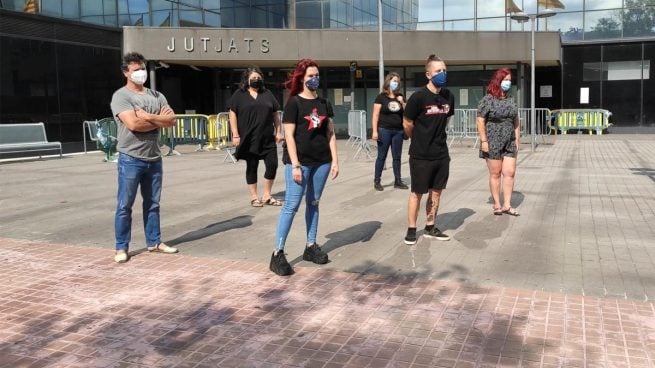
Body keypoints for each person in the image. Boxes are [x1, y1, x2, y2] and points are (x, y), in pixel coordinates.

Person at [269, 58, 339, 276]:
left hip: (322, 162)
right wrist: (296, 165)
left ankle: (311, 246)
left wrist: (335, 160)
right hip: (299, 164)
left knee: (314, 203)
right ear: (301, 78)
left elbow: (330, 133)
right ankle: (277, 253)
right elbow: (288, 136)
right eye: (310, 75)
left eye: (317, 75)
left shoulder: (324, 103)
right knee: (291, 205)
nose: (314, 79)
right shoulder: (294, 104)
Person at [109, 52, 178, 263]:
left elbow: (172, 120)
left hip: (154, 157)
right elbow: (133, 125)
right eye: (135, 70)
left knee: (153, 203)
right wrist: (159, 120)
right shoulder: (121, 96)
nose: (140, 73)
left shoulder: (157, 96)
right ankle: (121, 247)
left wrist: (148, 116)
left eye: (142, 69)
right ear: (125, 72)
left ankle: (154, 242)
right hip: (131, 158)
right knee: (125, 204)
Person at [402, 54, 455, 245]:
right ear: (428, 74)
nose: (442, 73)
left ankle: (430, 226)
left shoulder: (448, 96)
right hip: (420, 154)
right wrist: (419, 137)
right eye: (438, 71)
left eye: (444, 70)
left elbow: (446, 118)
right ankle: (411, 229)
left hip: (441, 153)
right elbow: (407, 123)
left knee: (437, 192)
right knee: (417, 192)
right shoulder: (418, 97)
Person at [229, 66, 283, 207]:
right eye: (253, 78)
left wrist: (278, 131)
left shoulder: (267, 94)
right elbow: (232, 113)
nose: (256, 80)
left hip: (267, 138)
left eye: (258, 78)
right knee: (252, 166)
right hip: (249, 138)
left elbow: (275, 114)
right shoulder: (239, 94)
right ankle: (254, 197)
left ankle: (266, 195)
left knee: (272, 165)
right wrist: (235, 134)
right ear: (247, 79)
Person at [476, 68, 520, 216]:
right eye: (505, 80)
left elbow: (516, 120)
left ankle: (507, 204)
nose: (508, 82)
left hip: (509, 141)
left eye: (509, 80)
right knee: (495, 173)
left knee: (510, 172)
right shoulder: (488, 99)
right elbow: (480, 120)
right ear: (498, 81)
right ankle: (497, 204)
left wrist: (517, 138)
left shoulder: (511, 100)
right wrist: (484, 141)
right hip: (492, 140)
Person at [371, 72, 408, 191]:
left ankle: (398, 180)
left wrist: (402, 102)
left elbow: (407, 112)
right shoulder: (381, 97)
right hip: (384, 130)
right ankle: (377, 180)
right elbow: (375, 115)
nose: (395, 83)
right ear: (388, 82)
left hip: (398, 131)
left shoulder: (400, 96)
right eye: (393, 81)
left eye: (397, 81)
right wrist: (375, 131)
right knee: (382, 156)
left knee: (397, 157)